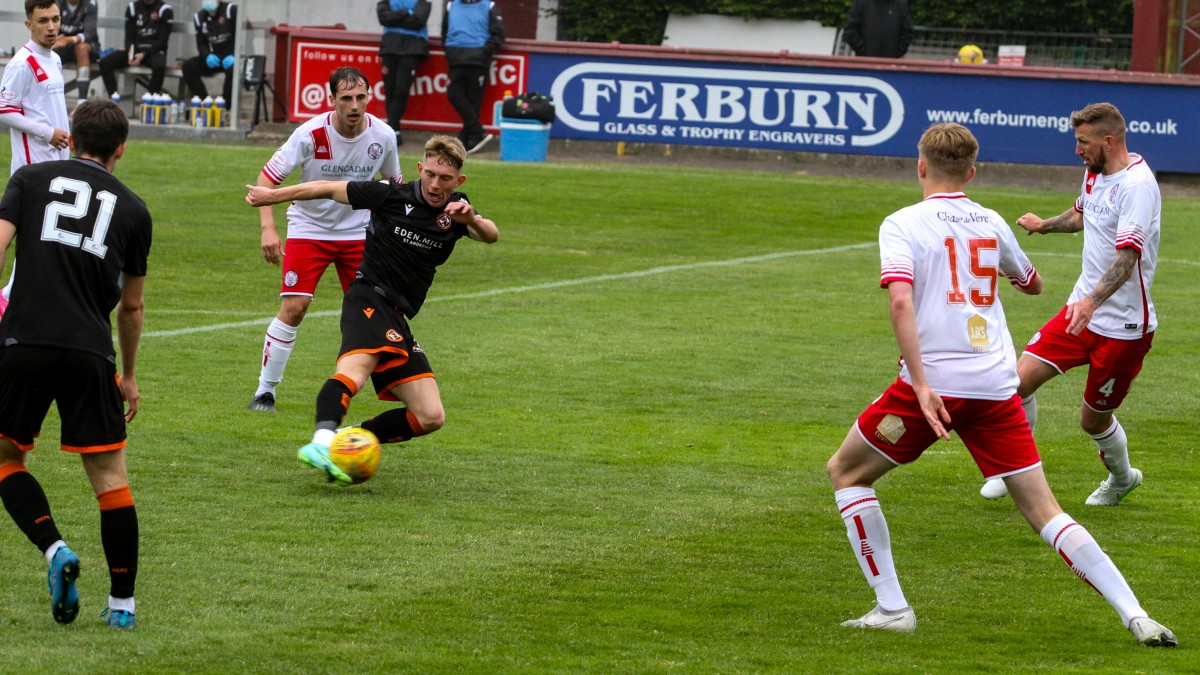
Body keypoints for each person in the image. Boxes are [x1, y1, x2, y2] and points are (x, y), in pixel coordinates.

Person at [825, 122, 1176, 647]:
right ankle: (1136, 614)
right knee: (1045, 511)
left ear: (920, 167)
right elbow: (1032, 283)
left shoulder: (901, 222)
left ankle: (892, 607)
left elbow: (900, 300)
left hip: (936, 384)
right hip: (994, 384)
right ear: (972, 171)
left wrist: (920, 385)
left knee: (847, 471)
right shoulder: (989, 219)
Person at [244, 135, 499, 486]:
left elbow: (491, 235)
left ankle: (346, 440)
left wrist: (471, 218)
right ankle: (320, 442)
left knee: (430, 416)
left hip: (397, 315)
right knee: (354, 373)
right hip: (367, 298)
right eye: (432, 174)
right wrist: (273, 196)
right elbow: (326, 187)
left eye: (446, 178)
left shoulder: (457, 209)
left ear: (459, 181)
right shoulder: (389, 195)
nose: (437, 184)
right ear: (420, 169)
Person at [0, 99, 151, 630]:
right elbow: (131, 307)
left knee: (6, 457)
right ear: (120, 150)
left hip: (23, 342)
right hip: (90, 350)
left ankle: (54, 548)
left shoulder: (29, 179)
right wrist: (128, 376)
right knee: (110, 479)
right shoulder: (134, 210)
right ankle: (123, 607)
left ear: (72, 137)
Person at [980, 103, 1161, 506]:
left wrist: (1093, 301)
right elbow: (1082, 215)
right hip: (1081, 312)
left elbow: (1128, 256)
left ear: (1108, 141)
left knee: (1092, 420)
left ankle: (1122, 478)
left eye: (1083, 142)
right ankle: (1014, 471)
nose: (1077, 150)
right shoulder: (1095, 173)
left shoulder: (1137, 186)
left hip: (1123, 328)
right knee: (1015, 382)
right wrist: (1043, 225)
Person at [248, 67, 400, 414]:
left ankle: (385, 388)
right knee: (295, 307)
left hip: (359, 233)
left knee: (371, 312)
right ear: (331, 100)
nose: (354, 106)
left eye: (360, 97)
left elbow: (395, 187)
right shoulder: (310, 133)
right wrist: (268, 229)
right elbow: (266, 179)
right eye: (346, 98)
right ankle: (265, 391)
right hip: (309, 228)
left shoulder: (384, 136)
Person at [0, 0, 73, 316]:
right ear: (28, 24)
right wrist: (47, 133)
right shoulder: (22, 63)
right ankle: (9, 299)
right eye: (43, 20)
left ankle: (17, 297)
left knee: (46, 236)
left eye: (56, 19)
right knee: (33, 236)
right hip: (34, 168)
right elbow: (4, 109)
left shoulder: (54, 59)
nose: (52, 27)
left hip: (57, 163)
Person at [442, 0, 504, 155]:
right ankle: (477, 132)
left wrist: (484, 51)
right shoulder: (452, 5)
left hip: (478, 60)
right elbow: (445, 32)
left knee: (473, 100)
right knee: (454, 95)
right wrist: (450, 50)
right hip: (456, 58)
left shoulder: (488, 6)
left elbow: (499, 35)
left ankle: (467, 138)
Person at [377, 0, 431, 146]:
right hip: (390, 47)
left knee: (401, 90)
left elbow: (419, 20)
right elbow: (383, 18)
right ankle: (394, 131)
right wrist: (407, 12)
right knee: (390, 91)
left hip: (412, 49)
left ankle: (391, 130)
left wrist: (394, 18)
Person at [99, 0, 174, 100]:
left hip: (154, 51)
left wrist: (144, 54)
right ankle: (114, 99)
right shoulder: (132, 8)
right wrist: (130, 52)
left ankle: (150, 100)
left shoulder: (165, 9)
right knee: (105, 63)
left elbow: (162, 40)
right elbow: (129, 36)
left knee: (159, 65)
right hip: (135, 50)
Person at [181, 0, 237, 104]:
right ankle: (204, 102)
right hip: (215, 58)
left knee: (233, 70)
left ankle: (225, 106)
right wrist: (207, 56)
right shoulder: (199, 17)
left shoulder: (231, 10)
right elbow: (201, 43)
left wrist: (236, 55)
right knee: (188, 66)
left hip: (232, 58)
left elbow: (245, 36)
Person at [54, 0, 101, 101]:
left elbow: (90, 33)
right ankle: (47, 97)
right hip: (62, 45)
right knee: (48, 50)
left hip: (87, 46)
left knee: (81, 48)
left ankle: (82, 101)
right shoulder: (56, 3)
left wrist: (70, 39)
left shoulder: (90, 3)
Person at [842, 0, 912, 59]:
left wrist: (895, 53)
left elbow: (907, 32)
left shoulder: (900, 4)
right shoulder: (861, 3)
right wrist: (863, 51)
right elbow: (850, 31)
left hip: (891, 64)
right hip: (864, 63)